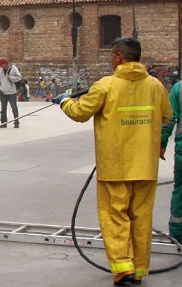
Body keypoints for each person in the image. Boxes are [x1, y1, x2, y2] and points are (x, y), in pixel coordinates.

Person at [55, 37, 172, 285]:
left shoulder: (105, 85)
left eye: (111, 56)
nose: (111, 60)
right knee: (141, 218)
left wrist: (64, 101)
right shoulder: (156, 86)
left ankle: (123, 270)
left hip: (114, 167)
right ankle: (139, 270)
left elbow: (79, 113)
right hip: (145, 166)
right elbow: (167, 116)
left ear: (119, 57)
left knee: (115, 217)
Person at [160, 80, 182, 247]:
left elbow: (168, 119)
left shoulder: (179, 88)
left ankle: (177, 234)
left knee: (180, 191)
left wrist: (161, 144)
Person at [0, 57, 21, 128]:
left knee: (14, 107)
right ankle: (4, 123)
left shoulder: (13, 68)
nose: (1, 66)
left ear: (5, 64)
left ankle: (16, 122)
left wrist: (11, 78)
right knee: (3, 108)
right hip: (3, 92)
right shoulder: (1, 70)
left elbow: (19, 77)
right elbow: (0, 80)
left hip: (11, 92)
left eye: (2, 65)